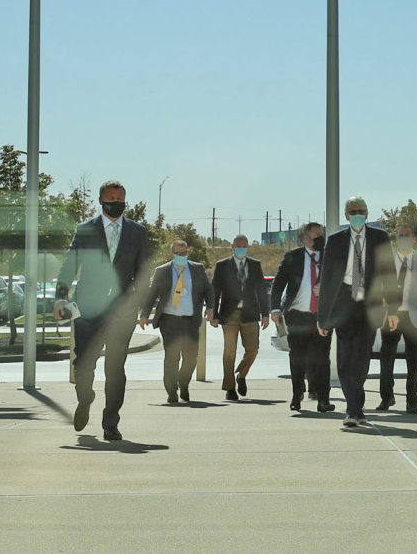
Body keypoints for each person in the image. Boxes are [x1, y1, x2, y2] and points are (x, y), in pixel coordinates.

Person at [56, 180, 153, 441]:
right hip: (88, 308)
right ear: (101, 200)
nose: (116, 202)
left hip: (122, 311)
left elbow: (144, 271)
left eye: (121, 198)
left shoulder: (137, 232)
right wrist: (60, 298)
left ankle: (111, 422)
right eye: (111, 198)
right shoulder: (85, 230)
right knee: (83, 364)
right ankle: (85, 399)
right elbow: (69, 265)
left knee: (115, 368)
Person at [317, 196, 394, 428]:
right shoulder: (335, 240)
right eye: (353, 211)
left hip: (370, 303)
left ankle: (356, 405)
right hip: (344, 301)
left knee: (362, 356)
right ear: (346, 215)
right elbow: (327, 279)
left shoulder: (380, 237)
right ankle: (352, 409)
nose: (357, 214)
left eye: (361, 210)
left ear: (368, 214)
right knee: (344, 357)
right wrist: (322, 317)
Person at [140, 238, 214, 404]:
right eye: (178, 253)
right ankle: (172, 392)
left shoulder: (197, 269)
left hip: (190, 320)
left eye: (184, 253)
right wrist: (144, 314)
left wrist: (210, 308)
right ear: (172, 254)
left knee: (191, 357)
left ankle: (183, 382)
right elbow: (152, 293)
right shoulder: (162, 271)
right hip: (169, 321)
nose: (182, 256)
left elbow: (208, 290)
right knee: (172, 357)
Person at [269, 222, 334, 412]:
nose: (321, 238)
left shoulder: (328, 258)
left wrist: (326, 289)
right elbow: (278, 284)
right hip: (296, 316)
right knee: (297, 357)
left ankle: (323, 399)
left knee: (322, 359)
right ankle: (297, 394)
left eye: (323, 234)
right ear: (307, 238)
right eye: (317, 235)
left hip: (321, 317)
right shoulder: (293, 257)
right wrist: (274, 309)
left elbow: (337, 283)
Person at [378, 224, 417, 414]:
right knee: (386, 358)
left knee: (413, 360)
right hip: (390, 315)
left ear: (414, 239)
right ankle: (386, 398)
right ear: (396, 239)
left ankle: (411, 401)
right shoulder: (387, 259)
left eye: (407, 235)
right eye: (400, 235)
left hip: (415, 316)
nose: (404, 238)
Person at [210, 234, 270, 401]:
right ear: (232, 246)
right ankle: (229, 387)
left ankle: (241, 375)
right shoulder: (222, 266)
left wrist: (265, 314)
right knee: (230, 351)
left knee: (253, 349)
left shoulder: (255, 265)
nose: (241, 248)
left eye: (244, 245)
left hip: (250, 314)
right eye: (239, 245)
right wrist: (214, 314)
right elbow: (216, 291)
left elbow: (262, 291)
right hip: (229, 315)